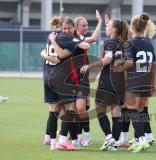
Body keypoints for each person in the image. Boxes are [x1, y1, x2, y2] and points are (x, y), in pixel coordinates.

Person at [41, 16, 90, 150]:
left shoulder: (51, 36)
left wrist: (49, 51)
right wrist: (78, 41)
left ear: (73, 27)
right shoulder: (66, 38)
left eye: (69, 28)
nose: (67, 30)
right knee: (70, 109)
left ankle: (51, 142)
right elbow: (84, 46)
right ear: (62, 28)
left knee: (53, 111)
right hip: (60, 78)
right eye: (65, 28)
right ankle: (62, 140)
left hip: (47, 77)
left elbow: (43, 51)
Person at [80, 17, 129, 151]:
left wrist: (90, 65)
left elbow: (107, 59)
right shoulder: (124, 43)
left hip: (108, 79)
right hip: (120, 81)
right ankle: (112, 145)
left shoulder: (109, 42)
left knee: (100, 109)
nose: (106, 28)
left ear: (114, 30)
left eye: (108, 27)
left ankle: (109, 137)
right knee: (116, 112)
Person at [114, 13, 156, 153]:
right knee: (140, 110)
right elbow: (153, 65)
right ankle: (138, 140)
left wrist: (119, 68)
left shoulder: (130, 43)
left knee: (132, 110)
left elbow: (130, 63)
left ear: (132, 28)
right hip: (147, 79)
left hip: (135, 79)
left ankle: (142, 139)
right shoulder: (149, 42)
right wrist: (152, 82)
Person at [73, 10, 102, 147]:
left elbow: (94, 39)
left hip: (82, 78)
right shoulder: (71, 39)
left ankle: (87, 135)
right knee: (74, 109)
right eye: (83, 25)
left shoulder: (81, 40)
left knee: (81, 109)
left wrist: (100, 22)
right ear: (76, 27)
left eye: (87, 25)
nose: (86, 27)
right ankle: (75, 136)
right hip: (69, 78)